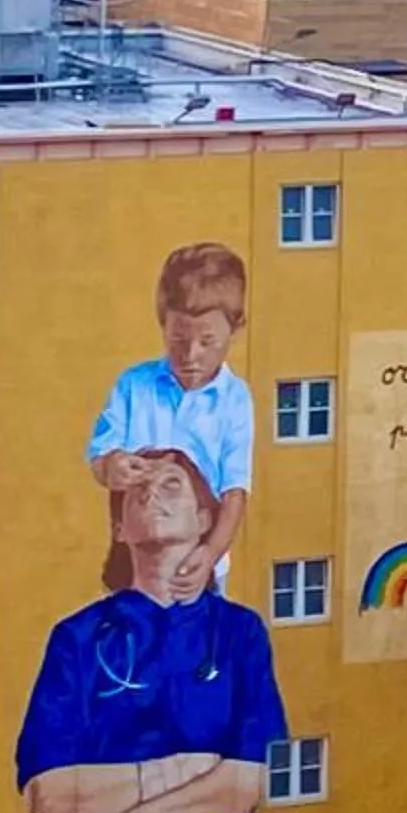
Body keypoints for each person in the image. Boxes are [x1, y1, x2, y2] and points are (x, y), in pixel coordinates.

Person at [14, 445, 285, 813]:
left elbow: (245, 785)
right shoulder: (77, 637)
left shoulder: (239, 633)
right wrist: (191, 769)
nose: (151, 496)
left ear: (206, 519)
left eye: (171, 487)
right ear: (119, 529)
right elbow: (52, 800)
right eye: (137, 492)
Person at [87, 243, 255, 595]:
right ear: (163, 325)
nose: (190, 355)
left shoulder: (235, 400)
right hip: (132, 566)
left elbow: (234, 493)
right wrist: (111, 466)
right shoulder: (134, 385)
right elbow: (101, 458)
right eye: (178, 339)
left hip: (200, 568)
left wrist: (209, 554)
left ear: (235, 330)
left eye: (207, 341)